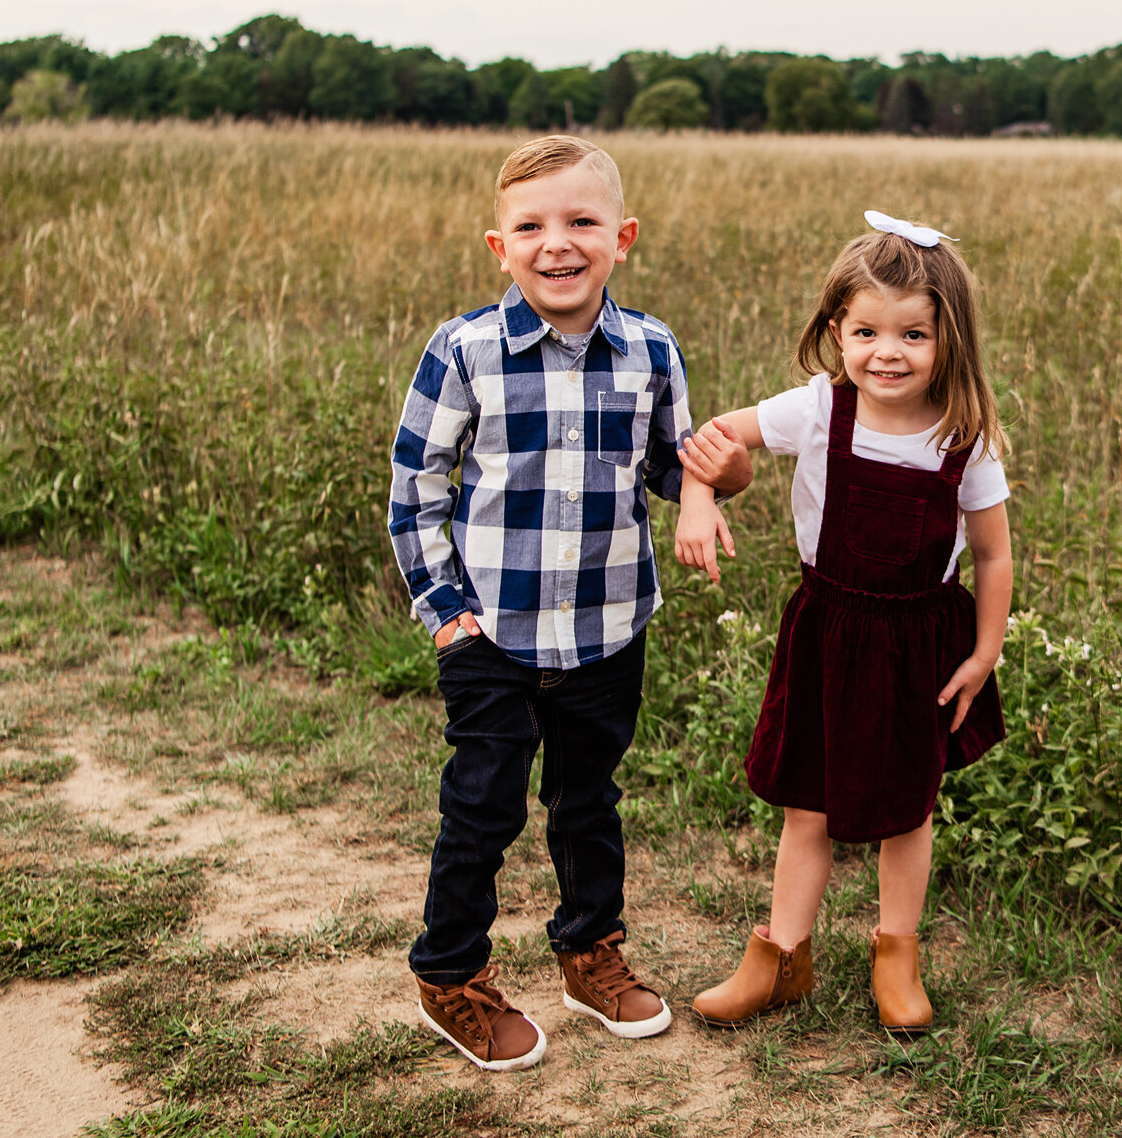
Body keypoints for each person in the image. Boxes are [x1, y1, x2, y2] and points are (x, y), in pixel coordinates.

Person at [388, 135, 750, 1071]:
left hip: (607, 625)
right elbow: (417, 485)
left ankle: (589, 954)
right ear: (497, 245)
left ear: (621, 237)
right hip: (491, 631)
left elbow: (678, 467)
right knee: (483, 806)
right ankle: (451, 973)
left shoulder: (650, 349)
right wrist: (445, 611)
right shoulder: (464, 351)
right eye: (532, 226)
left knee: (588, 802)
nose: (559, 243)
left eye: (582, 222)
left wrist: (720, 480)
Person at [673, 212, 1011, 1031]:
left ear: (950, 338)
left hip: (920, 646)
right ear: (837, 330)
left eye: (913, 334)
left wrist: (984, 652)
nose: (886, 352)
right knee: (808, 806)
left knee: (907, 808)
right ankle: (780, 955)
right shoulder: (821, 410)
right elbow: (713, 436)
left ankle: (897, 954)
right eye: (865, 330)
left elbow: (994, 557)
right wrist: (696, 497)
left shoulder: (964, 440)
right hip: (827, 632)